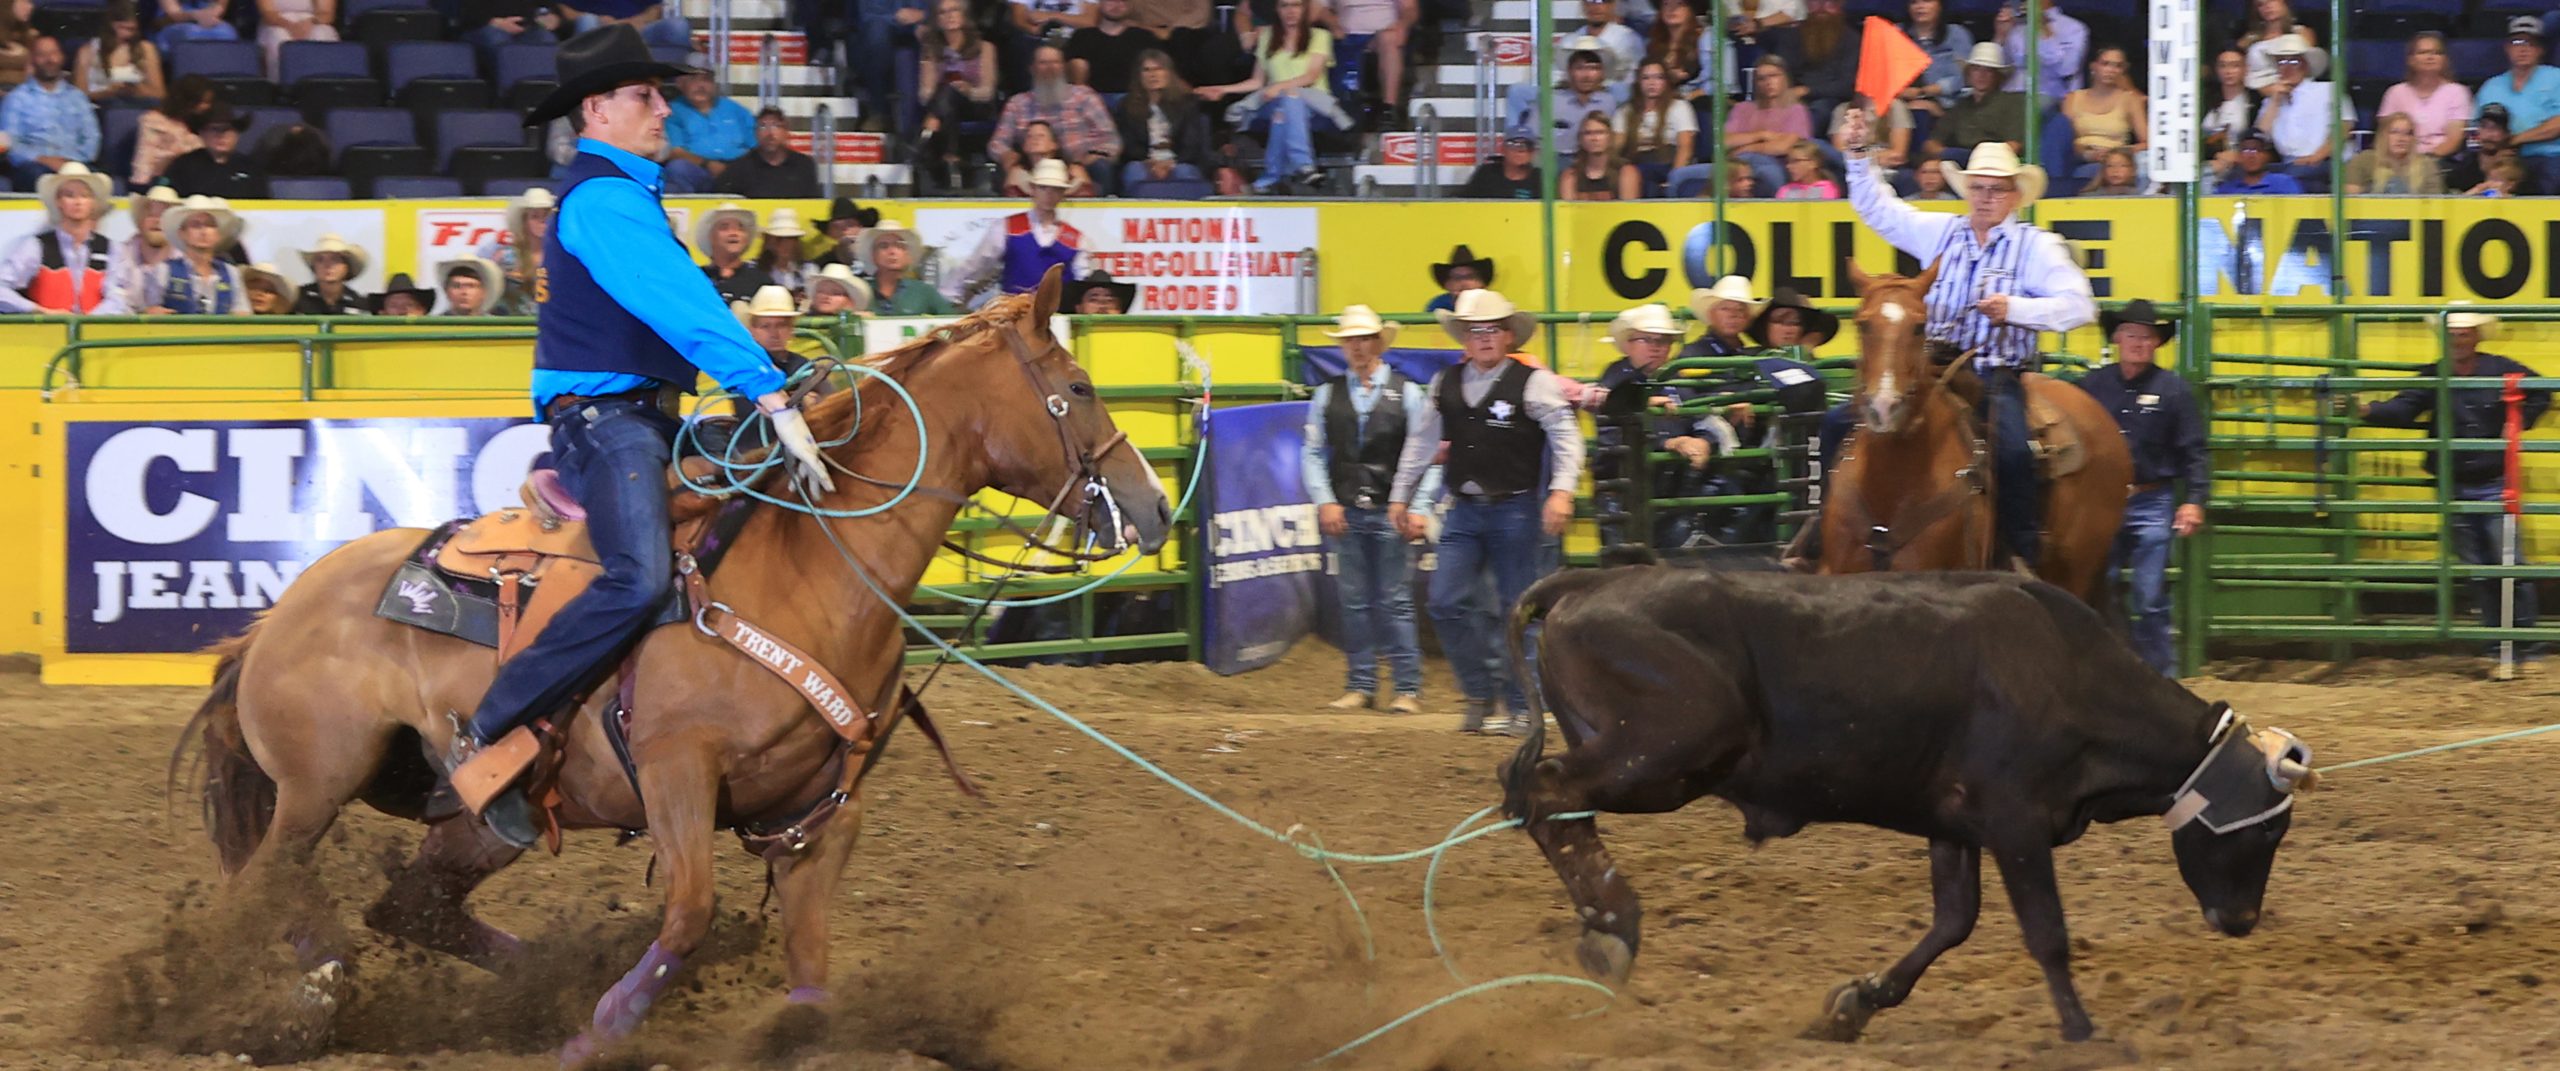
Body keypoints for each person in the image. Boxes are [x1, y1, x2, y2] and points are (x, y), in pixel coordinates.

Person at [447, 24, 834, 848]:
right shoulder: (605, 201)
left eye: (659, 94)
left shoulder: (619, 198)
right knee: (638, 574)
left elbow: (682, 310)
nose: (665, 108)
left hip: (645, 417)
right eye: (645, 96)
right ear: (598, 109)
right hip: (608, 423)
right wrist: (765, 389)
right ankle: (491, 733)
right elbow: (679, 306)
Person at [1840, 106, 2097, 569]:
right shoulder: (1941, 232)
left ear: (2015, 196)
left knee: (2014, 451)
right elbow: (1878, 209)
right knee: (1841, 424)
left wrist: (2016, 309)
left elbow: (2080, 304)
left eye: (1996, 189)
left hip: (1995, 374)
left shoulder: (2037, 247)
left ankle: (2019, 552)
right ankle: (1825, 538)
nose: (1985, 197)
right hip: (1930, 368)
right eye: (1978, 187)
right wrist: (1859, 155)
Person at [1386, 289, 1585, 736]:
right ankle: (1480, 692)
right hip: (1464, 508)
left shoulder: (1534, 382)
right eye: (1476, 331)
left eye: (1492, 330)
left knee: (1518, 609)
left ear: (1508, 335)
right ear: (1464, 338)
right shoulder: (1446, 385)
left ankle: (1520, 705)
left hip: (1515, 507)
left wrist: (1561, 492)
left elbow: (1566, 437)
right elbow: (1420, 444)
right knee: (1444, 602)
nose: (1485, 338)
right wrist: (1400, 496)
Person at [2350, 307, 2551, 657]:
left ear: (2475, 337)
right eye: (2453, 334)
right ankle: (2500, 646)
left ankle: (2523, 646)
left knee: (2510, 567)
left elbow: (2540, 391)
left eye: (2464, 333)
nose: (2458, 340)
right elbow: (2402, 409)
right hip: (2459, 486)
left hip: (2493, 482)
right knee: (2483, 572)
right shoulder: (2440, 374)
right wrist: (2366, 410)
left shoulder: (2498, 369)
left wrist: (2519, 421)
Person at [1302, 305, 1429, 714]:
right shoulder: (1329, 395)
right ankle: (1365, 684)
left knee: (1392, 599)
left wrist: (1418, 505)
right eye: (1350, 340)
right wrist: (1325, 500)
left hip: (1390, 510)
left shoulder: (1407, 393)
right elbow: (1313, 453)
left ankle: (1404, 687)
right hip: (1351, 509)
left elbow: (1427, 453)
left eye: (1363, 339)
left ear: (1377, 343)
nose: (1356, 347)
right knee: (1357, 599)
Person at [2074, 300, 2206, 677]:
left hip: (2153, 497)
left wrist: (2194, 501)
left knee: (2149, 596)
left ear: (2156, 344)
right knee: (2100, 587)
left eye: (2146, 337)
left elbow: (2193, 450)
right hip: (2102, 500)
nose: (2138, 342)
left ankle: (2160, 677)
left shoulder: (2174, 392)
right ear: (2118, 338)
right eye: (2132, 334)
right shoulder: (2092, 387)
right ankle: (2110, 672)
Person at [1589, 302, 1719, 551]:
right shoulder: (1616, 381)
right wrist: (1669, 442)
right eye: (1647, 340)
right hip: (1623, 495)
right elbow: (1615, 436)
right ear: (1629, 343)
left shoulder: (1674, 378)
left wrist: (1705, 440)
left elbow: (1703, 418)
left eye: (1664, 341)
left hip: (1667, 494)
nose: (1657, 348)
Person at [1197, 0, 1349, 193]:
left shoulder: (1320, 36)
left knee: (1286, 105)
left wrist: (1279, 87)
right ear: (1277, 10)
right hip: (1272, 100)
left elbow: (1311, 77)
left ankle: (1272, 174)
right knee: (1286, 101)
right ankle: (1303, 166)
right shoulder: (1267, 36)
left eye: (1296, 5)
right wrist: (1223, 90)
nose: (1291, 11)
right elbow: (1257, 82)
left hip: (1313, 102)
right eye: (1285, 6)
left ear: (1305, 8)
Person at [944, 159, 1087, 305]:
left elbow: (1083, 282)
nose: (1049, 194)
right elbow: (977, 263)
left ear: (1063, 194)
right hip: (1014, 312)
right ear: (1033, 189)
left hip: (1059, 312)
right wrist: (950, 293)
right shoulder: (1006, 227)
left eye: (1056, 189)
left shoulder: (1076, 239)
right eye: (1043, 188)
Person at [993, 44, 1122, 192]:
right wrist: (1006, 154)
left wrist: (1094, 156)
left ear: (1063, 67)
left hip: (1081, 165)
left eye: (1055, 62)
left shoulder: (1084, 96)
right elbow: (997, 143)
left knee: (1101, 167)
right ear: (1032, 68)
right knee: (1006, 172)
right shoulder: (1017, 103)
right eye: (1043, 63)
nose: (1050, 67)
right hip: (1033, 170)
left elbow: (1110, 139)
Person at [0, 163, 123, 314]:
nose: (78, 201)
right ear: (58, 202)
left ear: (93, 203)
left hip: (94, 335)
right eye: (70, 195)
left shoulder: (110, 247)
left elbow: (118, 298)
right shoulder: (36, 246)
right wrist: (40, 311)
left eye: (84, 195)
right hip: (46, 333)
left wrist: (89, 320)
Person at [917, 0, 1001, 192]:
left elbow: (988, 90)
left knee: (948, 96)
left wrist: (968, 90)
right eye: (943, 12)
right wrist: (948, 90)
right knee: (947, 94)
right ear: (937, 20)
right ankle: (951, 155)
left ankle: (926, 138)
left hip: (976, 105)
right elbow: (924, 94)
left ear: (964, 15)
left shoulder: (985, 47)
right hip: (946, 108)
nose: (949, 15)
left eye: (954, 10)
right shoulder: (931, 49)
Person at [0, 38, 100, 190]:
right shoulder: (17, 98)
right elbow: (10, 143)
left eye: (53, 53)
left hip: (75, 165)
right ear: (33, 59)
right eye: (42, 54)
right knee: (38, 177)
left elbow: (92, 138)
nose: (49, 59)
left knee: (98, 181)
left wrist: (69, 163)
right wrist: (44, 160)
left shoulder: (77, 97)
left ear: (62, 57)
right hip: (34, 167)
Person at [2477, 16, 2560, 195]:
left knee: (2547, 181)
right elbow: (2475, 130)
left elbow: (2557, 124)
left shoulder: (2556, 78)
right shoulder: (2491, 86)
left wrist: (2516, 139)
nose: (2523, 49)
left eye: (2530, 43)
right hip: (2501, 158)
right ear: (2507, 48)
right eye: (2517, 42)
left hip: (2548, 156)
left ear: (2540, 49)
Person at [1114, 49, 1214, 189]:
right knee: (1135, 172)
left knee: (1185, 172)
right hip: (1143, 161)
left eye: (1158, 69)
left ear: (1169, 73)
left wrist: (1170, 163)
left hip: (1179, 161)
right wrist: (1151, 162)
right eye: (1146, 70)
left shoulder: (1187, 104)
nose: (1153, 75)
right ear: (1139, 76)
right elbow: (1128, 144)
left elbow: (1191, 145)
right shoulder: (1126, 105)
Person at [136, 195, 248, 315]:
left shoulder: (232, 273)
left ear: (218, 235)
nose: (203, 231)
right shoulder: (163, 270)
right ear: (182, 233)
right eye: (196, 225)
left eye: (210, 225)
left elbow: (243, 314)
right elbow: (147, 311)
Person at [1720, 55, 1811, 196]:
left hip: (1774, 165)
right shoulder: (1742, 108)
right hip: (1733, 165)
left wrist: (1746, 148)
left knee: (1768, 172)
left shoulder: (1796, 110)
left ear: (1785, 78)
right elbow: (1724, 141)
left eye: (1773, 76)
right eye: (1761, 79)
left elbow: (1783, 147)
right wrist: (1761, 135)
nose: (1768, 82)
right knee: (1681, 174)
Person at [2253, 30, 2332, 191]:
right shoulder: (2270, 101)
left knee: (2284, 180)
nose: (2287, 67)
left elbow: (2343, 129)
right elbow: (2259, 138)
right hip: (2287, 165)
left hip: (2323, 162)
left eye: (2293, 62)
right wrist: (2275, 101)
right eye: (2281, 62)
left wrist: (2316, 157)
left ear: (2305, 65)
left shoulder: (2327, 90)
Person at [1923, 41, 2022, 163]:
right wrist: (1947, 154)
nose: (1981, 75)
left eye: (1988, 70)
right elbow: (1931, 143)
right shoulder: (1961, 106)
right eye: (1976, 69)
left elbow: (2013, 145)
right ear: (1968, 73)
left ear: (1997, 76)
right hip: (1958, 162)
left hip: (1993, 163)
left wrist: (1981, 158)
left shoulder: (2011, 103)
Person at [2381, 32, 2471, 165]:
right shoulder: (2395, 93)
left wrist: (2426, 162)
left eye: (2437, 53)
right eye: (2423, 52)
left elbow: (2454, 139)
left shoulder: (2457, 92)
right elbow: (2385, 136)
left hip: (2440, 161)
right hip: (2400, 161)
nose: (2430, 57)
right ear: (2411, 60)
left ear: (2445, 60)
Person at [662, 69, 755, 193]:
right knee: (678, 168)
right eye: (693, 79)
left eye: (706, 79)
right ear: (680, 83)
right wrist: (707, 164)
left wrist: (737, 167)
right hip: (699, 169)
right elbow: (675, 151)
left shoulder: (735, 109)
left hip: (737, 169)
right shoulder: (672, 111)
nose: (700, 85)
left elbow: (756, 145)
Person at [2060, 45, 2145, 172]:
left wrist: (2119, 153)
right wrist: (2087, 154)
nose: (2111, 70)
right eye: (2105, 64)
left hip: (2114, 162)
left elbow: (2147, 142)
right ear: (2093, 66)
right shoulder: (2073, 98)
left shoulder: (2130, 100)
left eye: (2118, 66)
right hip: (2078, 158)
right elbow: (2062, 140)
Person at [1899, 0, 1972, 144]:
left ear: (1940, 5)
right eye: (1914, 2)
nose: (1920, 6)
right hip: (1902, 101)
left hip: (1950, 103)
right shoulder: (1896, 33)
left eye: (1927, 1)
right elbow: (1882, 74)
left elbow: (1966, 76)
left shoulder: (1957, 34)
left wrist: (1924, 92)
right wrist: (1902, 93)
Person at [1617, 60, 1696, 194]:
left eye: (1658, 78)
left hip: (1668, 163)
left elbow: (1685, 147)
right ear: (1638, 82)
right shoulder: (1626, 111)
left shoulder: (1679, 107)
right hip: (1636, 164)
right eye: (1645, 78)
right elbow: (1616, 146)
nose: (1651, 83)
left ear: (1666, 81)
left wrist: (1674, 179)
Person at [162, 103, 268, 199]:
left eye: (228, 129)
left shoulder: (251, 168)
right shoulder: (182, 166)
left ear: (237, 135)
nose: (221, 135)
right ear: (201, 133)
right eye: (214, 129)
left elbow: (264, 208)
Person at [711, 107, 822, 198]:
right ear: (756, 133)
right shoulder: (739, 168)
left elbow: (814, 204)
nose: (770, 133)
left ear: (786, 132)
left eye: (776, 126)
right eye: (763, 126)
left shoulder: (804, 165)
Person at [1784, 0, 1858, 130]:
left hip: (1831, 98)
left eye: (1829, 3)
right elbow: (1784, 71)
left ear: (1839, 6)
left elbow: (1847, 85)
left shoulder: (1852, 39)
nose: (1822, 8)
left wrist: (1806, 90)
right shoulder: (1792, 35)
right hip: (1793, 96)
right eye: (1816, 2)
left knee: (1818, 112)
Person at [858, 220, 955, 315]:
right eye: (883, 246)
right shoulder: (860, 290)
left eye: (899, 246)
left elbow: (953, 323)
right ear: (873, 256)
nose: (892, 251)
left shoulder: (923, 291)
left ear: (908, 256)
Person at [76, 1, 165, 105]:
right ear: (111, 25)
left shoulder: (146, 49)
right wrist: (109, 92)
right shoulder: (88, 51)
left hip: (135, 108)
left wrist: (136, 90)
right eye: (123, 28)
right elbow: (79, 95)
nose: (129, 34)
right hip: (98, 108)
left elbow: (160, 94)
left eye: (133, 29)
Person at [1992, 0, 2083, 100]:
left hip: (2050, 98)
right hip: (2010, 96)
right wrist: (2001, 36)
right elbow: (1996, 68)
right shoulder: (2017, 27)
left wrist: (2041, 26)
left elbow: (2065, 70)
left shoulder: (2073, 28)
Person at [134, 74, 212, 186]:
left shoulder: (206, 123)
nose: (207, 107)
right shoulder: (154, 122)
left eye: (209, 102)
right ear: (188, 100)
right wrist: (143, 187)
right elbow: (145, 158)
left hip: (196, 182)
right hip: (160, 183)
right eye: (203, 102)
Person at [109, 182, 180, 301]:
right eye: (151, 215)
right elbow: (114, 294)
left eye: (164, 216)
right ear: (140, 221)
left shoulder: (184, 259)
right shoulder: (123, 251)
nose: (157, 221)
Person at [487, 188, 553, 315]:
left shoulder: (562, 256)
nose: (542, 222)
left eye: (546, 216)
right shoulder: (506, 257)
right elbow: (494, 295)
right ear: (525, 221)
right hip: (513, 320)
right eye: (535, 216)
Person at [1067, 0, 1162, 89]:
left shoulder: (1144, 36)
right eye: (1111, 0)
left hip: (1135, 97)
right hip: (1092, 97)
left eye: (1122, 1)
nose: (1116, 5)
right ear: (1100, 3)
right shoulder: (1082, 36)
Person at [2345, 112, 2445, 195]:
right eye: (2394, 132)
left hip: (2413, 216)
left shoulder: (2426, 165)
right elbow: (2350, 194)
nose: (2401, 138)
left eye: (2407, 133)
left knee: (2397, 186)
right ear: (2383, 136)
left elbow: (2435, 202)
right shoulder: (2364, 160)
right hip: (2373, 215)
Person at [694, 201, 774, 304]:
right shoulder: (696, 277)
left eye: (740, 228)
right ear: (711, 237)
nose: (734, 233)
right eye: (724, 227)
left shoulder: (761, 281)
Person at [2448, 103, 2535, 194]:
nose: (2489, 134)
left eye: (2495, 128)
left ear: (2507, 133)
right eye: (2484, 126)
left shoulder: (2519, 170)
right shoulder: (2466, 165)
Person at [1559, 110, 1641, 200]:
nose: (1594, 138)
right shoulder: (1570, 175)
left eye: (1600, 132)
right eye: (1588, 133)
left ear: (1611, 137)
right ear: (1580, 139)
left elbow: (1629, 210)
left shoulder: (1626, 172)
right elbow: (1566, 211)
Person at [1002, 119, 1099, 195]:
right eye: (1030, 136)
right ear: (1024, 146)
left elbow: (1086, 204)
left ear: (1054, 144)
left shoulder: (1074, 171)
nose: (1035, 139)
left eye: (1041, 136)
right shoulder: (1016, 173)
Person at [554, 0, 690, 51]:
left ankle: (676, 85)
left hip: (637, 29)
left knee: (678, 25)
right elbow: (565, 10)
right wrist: (601, 20)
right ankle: (591, 79)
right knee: (588, 21)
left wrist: (639, 20)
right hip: (598, 28)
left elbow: (656, 9)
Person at [1678, 275, 1758, 360]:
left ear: (1747, 317)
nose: (1733, 314)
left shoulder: (1753, 353)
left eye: (1740, 309)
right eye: (1725, 309)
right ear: (1710, 314)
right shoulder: (1693, 356)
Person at [2200, 48, 2254, 175]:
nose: (2228, 71)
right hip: (2208, 159)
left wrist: (2237, 156)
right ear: (2217, 70)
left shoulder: (2254, 99)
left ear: (2245, 69)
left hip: (2242, 161)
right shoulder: (2204, 99)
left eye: (2235, 66)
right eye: (2223, 66)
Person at [255, 0, 339, 79]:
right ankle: (279, 86)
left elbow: (327, 14)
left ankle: (321, 84)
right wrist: (290, 26)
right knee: (278, 36)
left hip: (313, 22)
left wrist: (311, 22)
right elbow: (268, 14)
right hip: (277, 23)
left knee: (322, 35)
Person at [292, 233, 369, 315]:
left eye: (335, 259)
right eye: (320, 259)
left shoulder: (358, 304)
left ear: (346, 268)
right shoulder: (296, 299)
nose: (327, 265)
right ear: (314, 267)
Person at [1458, 127, 1542, 199]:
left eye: (1527, 145)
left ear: (1534, 152)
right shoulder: (1487, 174)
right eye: (1512, 144)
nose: (1519, 150)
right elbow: (1466, 203)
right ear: (1503, 149)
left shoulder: (1541, 179)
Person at [2214, 130, 2303, 194]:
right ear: (2238, 156)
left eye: (2257, 150)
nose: (2251, 156)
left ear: (2267, 155)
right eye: (2246, 150)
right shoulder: (2227, 189)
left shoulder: (2285, 184)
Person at [754, 207, 811, 301]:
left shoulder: (808, 270)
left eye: (790, 239)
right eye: (779, 240)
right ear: (769, 242)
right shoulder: (755, 270)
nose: (785, 245)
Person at [815, 197, 879, 273]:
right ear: (830, 233)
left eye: (850, 225)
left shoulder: (878, 258)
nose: (844, 231)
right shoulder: (822, 265)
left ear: (862, 227)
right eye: (837, 227)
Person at [154, 0, 238, 54]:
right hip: (173, 23)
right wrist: (197, 16)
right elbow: (173, 14)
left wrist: (211, 14)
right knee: (191, 33)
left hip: (209, 19)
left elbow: (220, 7)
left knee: (227, 33)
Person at [1425, 244, 1490, 313]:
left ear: (1482, 282)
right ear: (1447, 284)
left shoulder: (1493, 303)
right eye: (1457, 278)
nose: (1463, 283)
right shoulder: (1438, 306)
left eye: (1470, 277)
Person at [436, 256, 501, 316]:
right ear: (446, 290)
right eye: (456, 286)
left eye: (471, 286)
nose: (464, 292)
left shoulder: (496, 326)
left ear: (483, 292)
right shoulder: (434, 325)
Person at [805, 264, 874, 316]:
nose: (826, 296)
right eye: (821, 291)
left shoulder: (862, 324)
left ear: (851, 302)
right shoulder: (799, 322)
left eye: (836, 293)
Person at [1774, 141, 1838, 199]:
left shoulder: (1826, 189)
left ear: (1813, 163)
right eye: (1788, 162)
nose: (1788, 166)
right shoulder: (1785, 190)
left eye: (1795, 161)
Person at [2075, 147, 2145, 195]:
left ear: (2133, 170)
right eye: (2110, 166)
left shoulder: (2142, 197)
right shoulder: (2089, 199)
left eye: (2122, 165)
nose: (2115, 170)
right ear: (2103, 171)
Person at [1065, 270, 1134, 313]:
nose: (1102, 305)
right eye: (1094, 300)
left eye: (1109, 300)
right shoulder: (1064, 336)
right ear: (1078, 307)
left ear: (1119, 309)